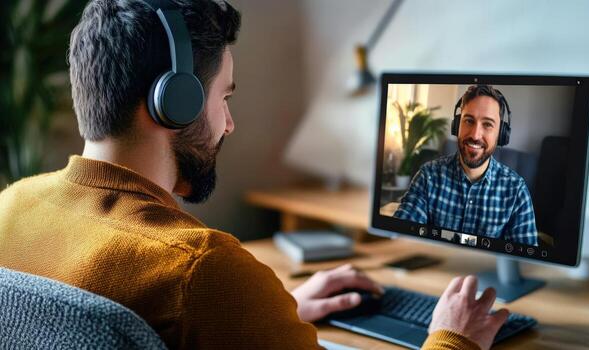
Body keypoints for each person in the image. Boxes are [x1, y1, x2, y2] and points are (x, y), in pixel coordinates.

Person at [0, 1, 508, 349]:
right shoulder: (203, 271)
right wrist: (452, 337)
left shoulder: (11, 207)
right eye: (225, 97)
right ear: (174, 104)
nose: (229, 123)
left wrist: (272, 314)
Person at [394, 85, 538, 246]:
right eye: (469, 121)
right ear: (457, 125)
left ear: (501, 134)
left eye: (488, 124)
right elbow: (400, 239)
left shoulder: (516, 191)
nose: (475, 135)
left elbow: (524, 262)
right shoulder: (428, 176)